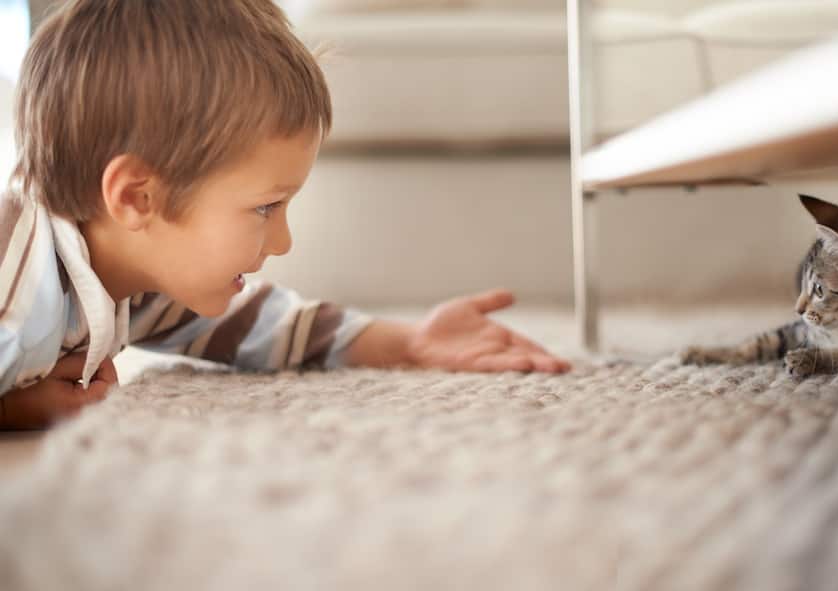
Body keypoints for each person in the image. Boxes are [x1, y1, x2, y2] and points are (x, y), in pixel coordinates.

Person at [0, 0, 569, 430]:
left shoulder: (136, 276)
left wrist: (407, 342)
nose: (283, 241)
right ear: (136, 198)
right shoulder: (14, 264)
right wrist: (14, 409)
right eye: (266, 207)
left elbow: (257, 326)